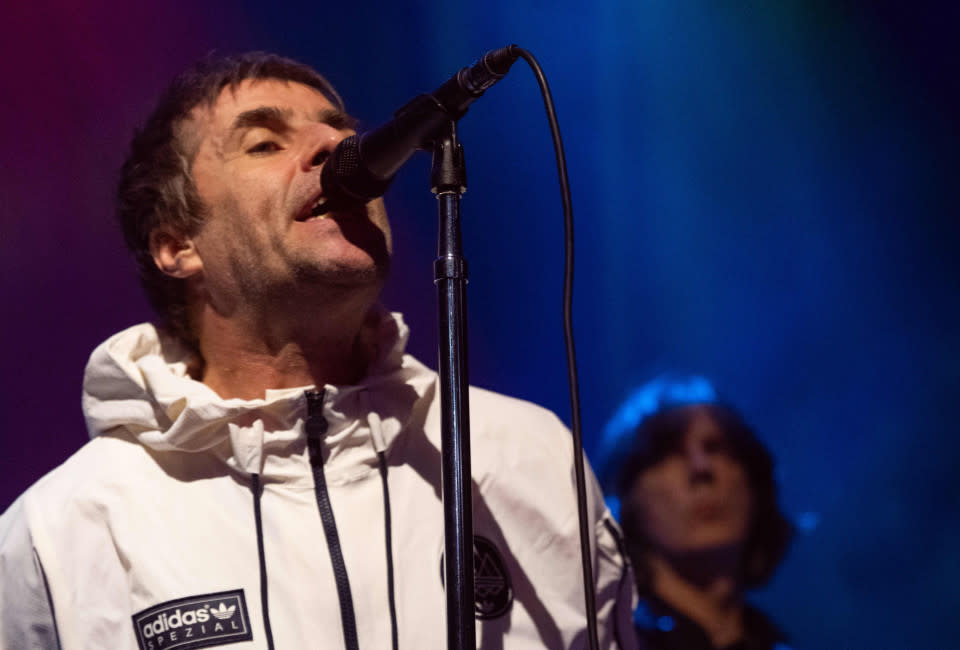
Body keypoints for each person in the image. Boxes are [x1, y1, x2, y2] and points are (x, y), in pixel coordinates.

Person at [0, 52, 635, 649]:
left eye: (337, 129)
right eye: (265, 143)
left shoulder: (529, 458)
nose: (334, 147)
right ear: (178, 246)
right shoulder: (63, 531)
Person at [594, 375, 794, 650]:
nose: (701, 468)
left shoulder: (775, 642)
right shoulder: (602, 640)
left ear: (755, 484)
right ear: (626, 497)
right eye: (668, 454)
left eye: (716, 448)